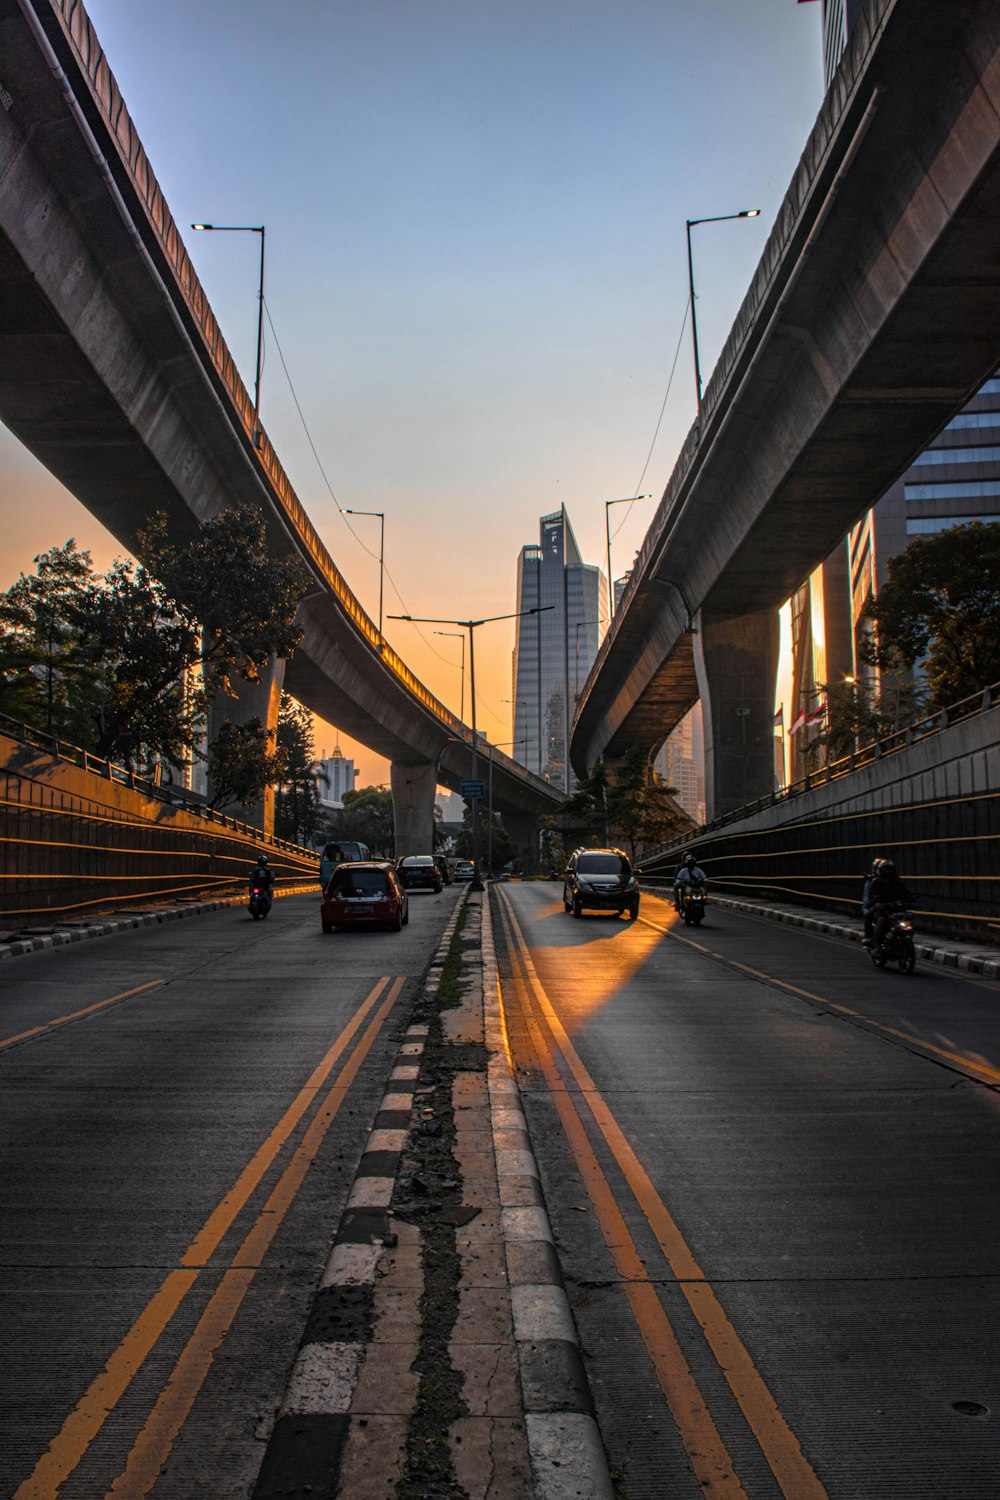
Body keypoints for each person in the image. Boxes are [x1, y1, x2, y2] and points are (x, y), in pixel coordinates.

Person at [867, 858, 913, 950]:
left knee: (908, 922)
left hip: (896, 909)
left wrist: (911, 901)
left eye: (890, 869)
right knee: (881, 921)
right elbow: (872, 896)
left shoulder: (898, 881)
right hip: (883, 910)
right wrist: (876, 903)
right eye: (886, 869)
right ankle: (877, 947)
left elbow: (905, 893)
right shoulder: (877, 882)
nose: (888, 871)